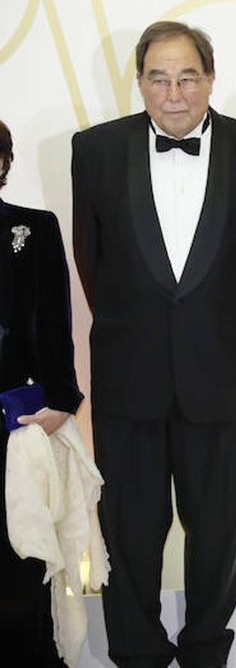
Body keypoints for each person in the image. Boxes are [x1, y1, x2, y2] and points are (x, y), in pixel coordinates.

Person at [72, 22, 236, 668]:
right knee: (130, 531)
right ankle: (136, 651)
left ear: (211, 78)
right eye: (159, 76)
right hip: (130, 374)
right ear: (140, 81)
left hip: (224, 372)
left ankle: (208, 649)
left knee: (218, 533)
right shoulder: (94, 150)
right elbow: (91, 259)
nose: (174, 92)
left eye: (188, 76)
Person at [0, 119, 84, 666]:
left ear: (3, 162)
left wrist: (59, 400)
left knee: (22, 560)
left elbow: (55, 317)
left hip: (17, 426)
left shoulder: (33, 229)